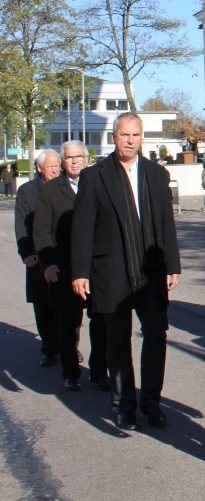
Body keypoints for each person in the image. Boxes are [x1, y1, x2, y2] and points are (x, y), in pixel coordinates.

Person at [71, 113, 181, 432]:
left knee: (156, 334)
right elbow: (82, 228)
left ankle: (152, 403)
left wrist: (172, 264)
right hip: (111, 270)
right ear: (114, 137)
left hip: (150, 270)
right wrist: (80, 272)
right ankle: (124, 407)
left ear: (141, 137)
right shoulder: (94, 176)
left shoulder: (156, 174)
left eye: (135, 135)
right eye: (124, 135)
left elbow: (166, 222)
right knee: (118, 341)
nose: (130, 140)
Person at [33, 141, 108, 392]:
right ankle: (71, 373)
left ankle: (99, 371)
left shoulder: (100, 185)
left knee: (101, 323)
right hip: (64, 268)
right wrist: (47, 264)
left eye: (79, 157)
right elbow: (41, 231)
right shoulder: (49, 191)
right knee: (68, 325)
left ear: (87, 159)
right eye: (69, 158)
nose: (75, 161)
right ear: (63, 162)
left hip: (97, 268)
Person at [16, 150, 63, 367]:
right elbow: (22, 225)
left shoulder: (65, 186)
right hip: (38, 255)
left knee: (67, 305)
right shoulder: (27, 191)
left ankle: (69, 346)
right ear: (39, 168)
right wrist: (26, 253)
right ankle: (50, 349)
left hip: (62, 254)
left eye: (57, 166)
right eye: (50, 166)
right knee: (43, 305)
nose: (55, 170)